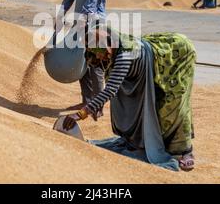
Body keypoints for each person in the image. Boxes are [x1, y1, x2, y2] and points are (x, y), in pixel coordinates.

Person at [63, 26, 196, 171]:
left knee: (173, 105)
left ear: (108, 47)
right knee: (149, 107)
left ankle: (185, 151)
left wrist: (81, 113)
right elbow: (98, 74)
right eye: (96, 53)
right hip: (148, 64)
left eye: (101, 52)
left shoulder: (125, 55)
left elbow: (111, 90)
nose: (99, 56)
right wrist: (96, 104)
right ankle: (148, 141)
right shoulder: (102, 50)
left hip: (174, 56)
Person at [60, 0, 115, 117]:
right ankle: (86, 101)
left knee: (95, 65)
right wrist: (62, 12)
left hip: (95, 20)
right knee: (81, 61)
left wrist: (86, 15)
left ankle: (97, 107)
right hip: (80, 19)